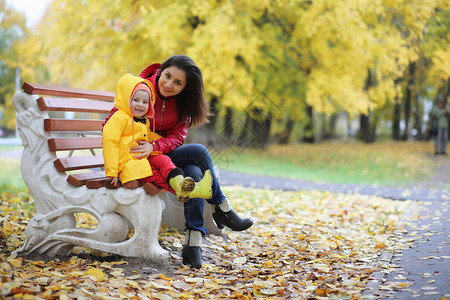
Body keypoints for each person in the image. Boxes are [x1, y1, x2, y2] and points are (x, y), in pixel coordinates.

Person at [105, 55, 254, 269]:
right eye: (167, 76)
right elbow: (112, 123)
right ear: (160, 71)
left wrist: (154, 147)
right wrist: (118, 165)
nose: (169, 84)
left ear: (185, 87)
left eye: (178, 83)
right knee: (199, 156)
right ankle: (220, 207)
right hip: (137, 158)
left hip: (160, 154)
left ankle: (194, 242)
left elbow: (177, 138)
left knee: (194, 171)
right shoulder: (139, 90)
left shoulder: (181, 103)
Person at [102, 73, 214, 202]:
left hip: (143, 156)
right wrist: (112, 172)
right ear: (126, 99)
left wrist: (158, 144)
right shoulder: (119, 118)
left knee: (164, 160)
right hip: (129, 164)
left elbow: (150, 136)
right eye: (135, 100)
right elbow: (110, 142)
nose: (140, 105)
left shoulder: (142, 120)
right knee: (156, 176)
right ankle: (193, 190)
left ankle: (182, 184)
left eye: (145, 102)